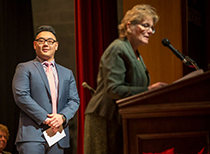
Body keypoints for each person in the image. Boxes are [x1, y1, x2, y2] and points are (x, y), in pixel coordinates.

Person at [84, 4, 168, 154]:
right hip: (105, 119)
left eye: (152, 28)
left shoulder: (135, 53)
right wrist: (149, 90)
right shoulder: (118, 48)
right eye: (146, 25)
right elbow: (114, 89)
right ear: (129, 26)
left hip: (121, 120)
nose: (150, 31)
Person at [12, 25, 80, 154]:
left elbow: (74, 100)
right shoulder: (24, 68)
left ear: (56, 45)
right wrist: (47, 118)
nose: (45, 44)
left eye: (50, 41)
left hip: (57, 136)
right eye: (41, 41)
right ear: (34, 44)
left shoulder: (67, 73)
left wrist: (62, 117)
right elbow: (21, 96)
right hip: (32, 135)